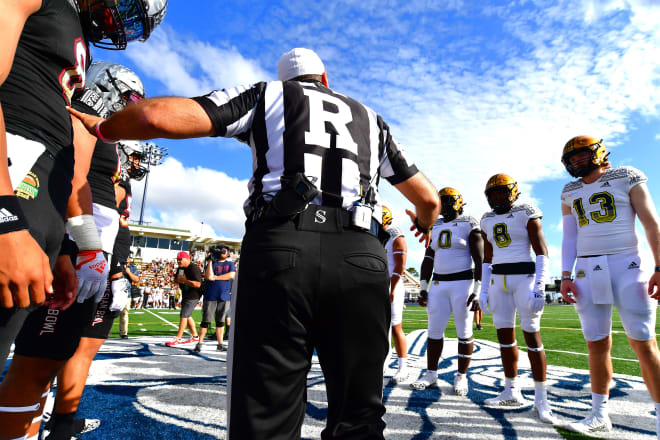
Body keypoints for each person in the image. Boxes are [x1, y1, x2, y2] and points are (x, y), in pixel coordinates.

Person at [68, 47, 440, 440]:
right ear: (325, 79)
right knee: (360, 416)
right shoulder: (370, 118)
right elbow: (428, 199)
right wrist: (426, 223)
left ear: (285, 81)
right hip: (359, 255)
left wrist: (104, 129)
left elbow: (154, 115)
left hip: (283, 246)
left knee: (267, 414)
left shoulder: (268, 95)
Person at [0, 1, 165, 439]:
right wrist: (85, 246)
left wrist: (75, 249)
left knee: (46, 355)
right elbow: (76, 184)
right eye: (129, 98)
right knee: (39, 358)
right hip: (27, 206)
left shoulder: (71, 47)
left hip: (50, 223)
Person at [559, 136, 660, 437]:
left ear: (600, 152)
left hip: (628, 263)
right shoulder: (569, 190)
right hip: (588, 270)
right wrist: (565, 274)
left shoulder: (625, 175)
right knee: (596, 343)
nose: (577, 161)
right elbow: (569, 237)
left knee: (643, 342)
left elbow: (651, 222)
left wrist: (659, 265)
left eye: (582, 155)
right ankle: (599, 415)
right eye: (572, 158)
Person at [478, 174, 556, 424]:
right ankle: (511, 391)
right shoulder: (487, 219)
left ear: (513, 192)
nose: (498, 197)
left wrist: (540, 286)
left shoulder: (527, 211)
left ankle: (541, 400)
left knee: (532, 336)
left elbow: (541, 251)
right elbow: (487, 256)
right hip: (498, 281)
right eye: (494, 194)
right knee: (504, 338)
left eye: (502, 192)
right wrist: (483, 289)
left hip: (525, 278)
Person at [411, 187, 483, 396]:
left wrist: (478, 289)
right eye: (442, 201)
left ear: (460, 202)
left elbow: (480, 259)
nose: (446, 205)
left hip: (463, 283)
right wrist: (424, 286)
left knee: (464, 332)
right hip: (439, 285)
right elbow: (429, 257)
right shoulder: (438, 224)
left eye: (449, 201)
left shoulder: (469, 222)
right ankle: (431, 373)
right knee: (434, 331)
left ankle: (461, 376)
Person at [381, 205, 409, 384]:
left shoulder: (394, 234)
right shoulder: (375, 234)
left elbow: (400, 265)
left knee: (395, 326)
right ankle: (383, 362)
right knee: (379, 328)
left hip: (392, 285)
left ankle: (403, 367)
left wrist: (392, 287)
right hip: (376, 285)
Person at [195, 245, 235, 353]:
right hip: (210, 295)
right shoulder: (212, 263)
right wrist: (210, 261)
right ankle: (199, 343)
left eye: (225, 251)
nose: (224, 252)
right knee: (206, 320)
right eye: (222, 251)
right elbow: (208, 276)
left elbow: (231, 275)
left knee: (220, 320)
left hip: (224, 295)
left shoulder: (230, 263)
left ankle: (220, 344)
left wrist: (216, 277)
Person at [165, 251, 201, 346]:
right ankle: (195, 336)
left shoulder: (194, 268)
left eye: (180, 259)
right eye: (177, 259)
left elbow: (198, 284)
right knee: (188, 315)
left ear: (187, 259)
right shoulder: (181, 268)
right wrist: (178, 280)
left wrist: (185, 281)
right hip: (185, 294)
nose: (178, 261)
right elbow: (176, 279)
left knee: (184, 315)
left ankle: (178, 338)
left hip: (193, 295)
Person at [122, 255, 140, 337]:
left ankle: (123, 333)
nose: (127, 258)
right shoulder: (117, 265)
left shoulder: (133, 268)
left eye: (128, 257)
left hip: (127, 293)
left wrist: (128, 272)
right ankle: (106, 332)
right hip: (115, 292)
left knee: (125, 314)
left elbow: (136, 279)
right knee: (110, 314)